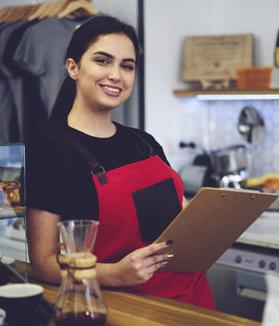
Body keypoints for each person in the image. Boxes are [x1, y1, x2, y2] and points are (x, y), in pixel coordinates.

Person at [26, 15, 215, 310]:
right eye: (103, 61)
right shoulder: (50, 150)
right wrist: (115, 274)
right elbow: (42, 263)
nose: (116, 75)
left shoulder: (145, 142)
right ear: (73, 67)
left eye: (127, 66)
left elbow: (180, 217)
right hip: (124, 306)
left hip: (193, 301)